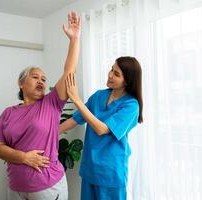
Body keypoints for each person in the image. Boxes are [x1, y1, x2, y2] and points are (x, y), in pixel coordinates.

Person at [0, 11, 81, 200]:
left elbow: (69, 72)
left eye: (44, 79)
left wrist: (74, 39)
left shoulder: (51, 103)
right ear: (21, 83)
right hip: (15, 186)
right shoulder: (8, 113)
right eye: (35, 77)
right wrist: (24, 157)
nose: (41, 81)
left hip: (47, 186)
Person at [60, 56, 143, 200]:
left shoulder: (131, 105)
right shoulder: (98, 96)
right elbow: (75, 119)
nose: (110, 75)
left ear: (128, 81)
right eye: (112, 69)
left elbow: (102, 129)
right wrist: (47, 133)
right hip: (90, 169)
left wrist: (77, 100)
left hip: (110, 172)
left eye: (116, 74)